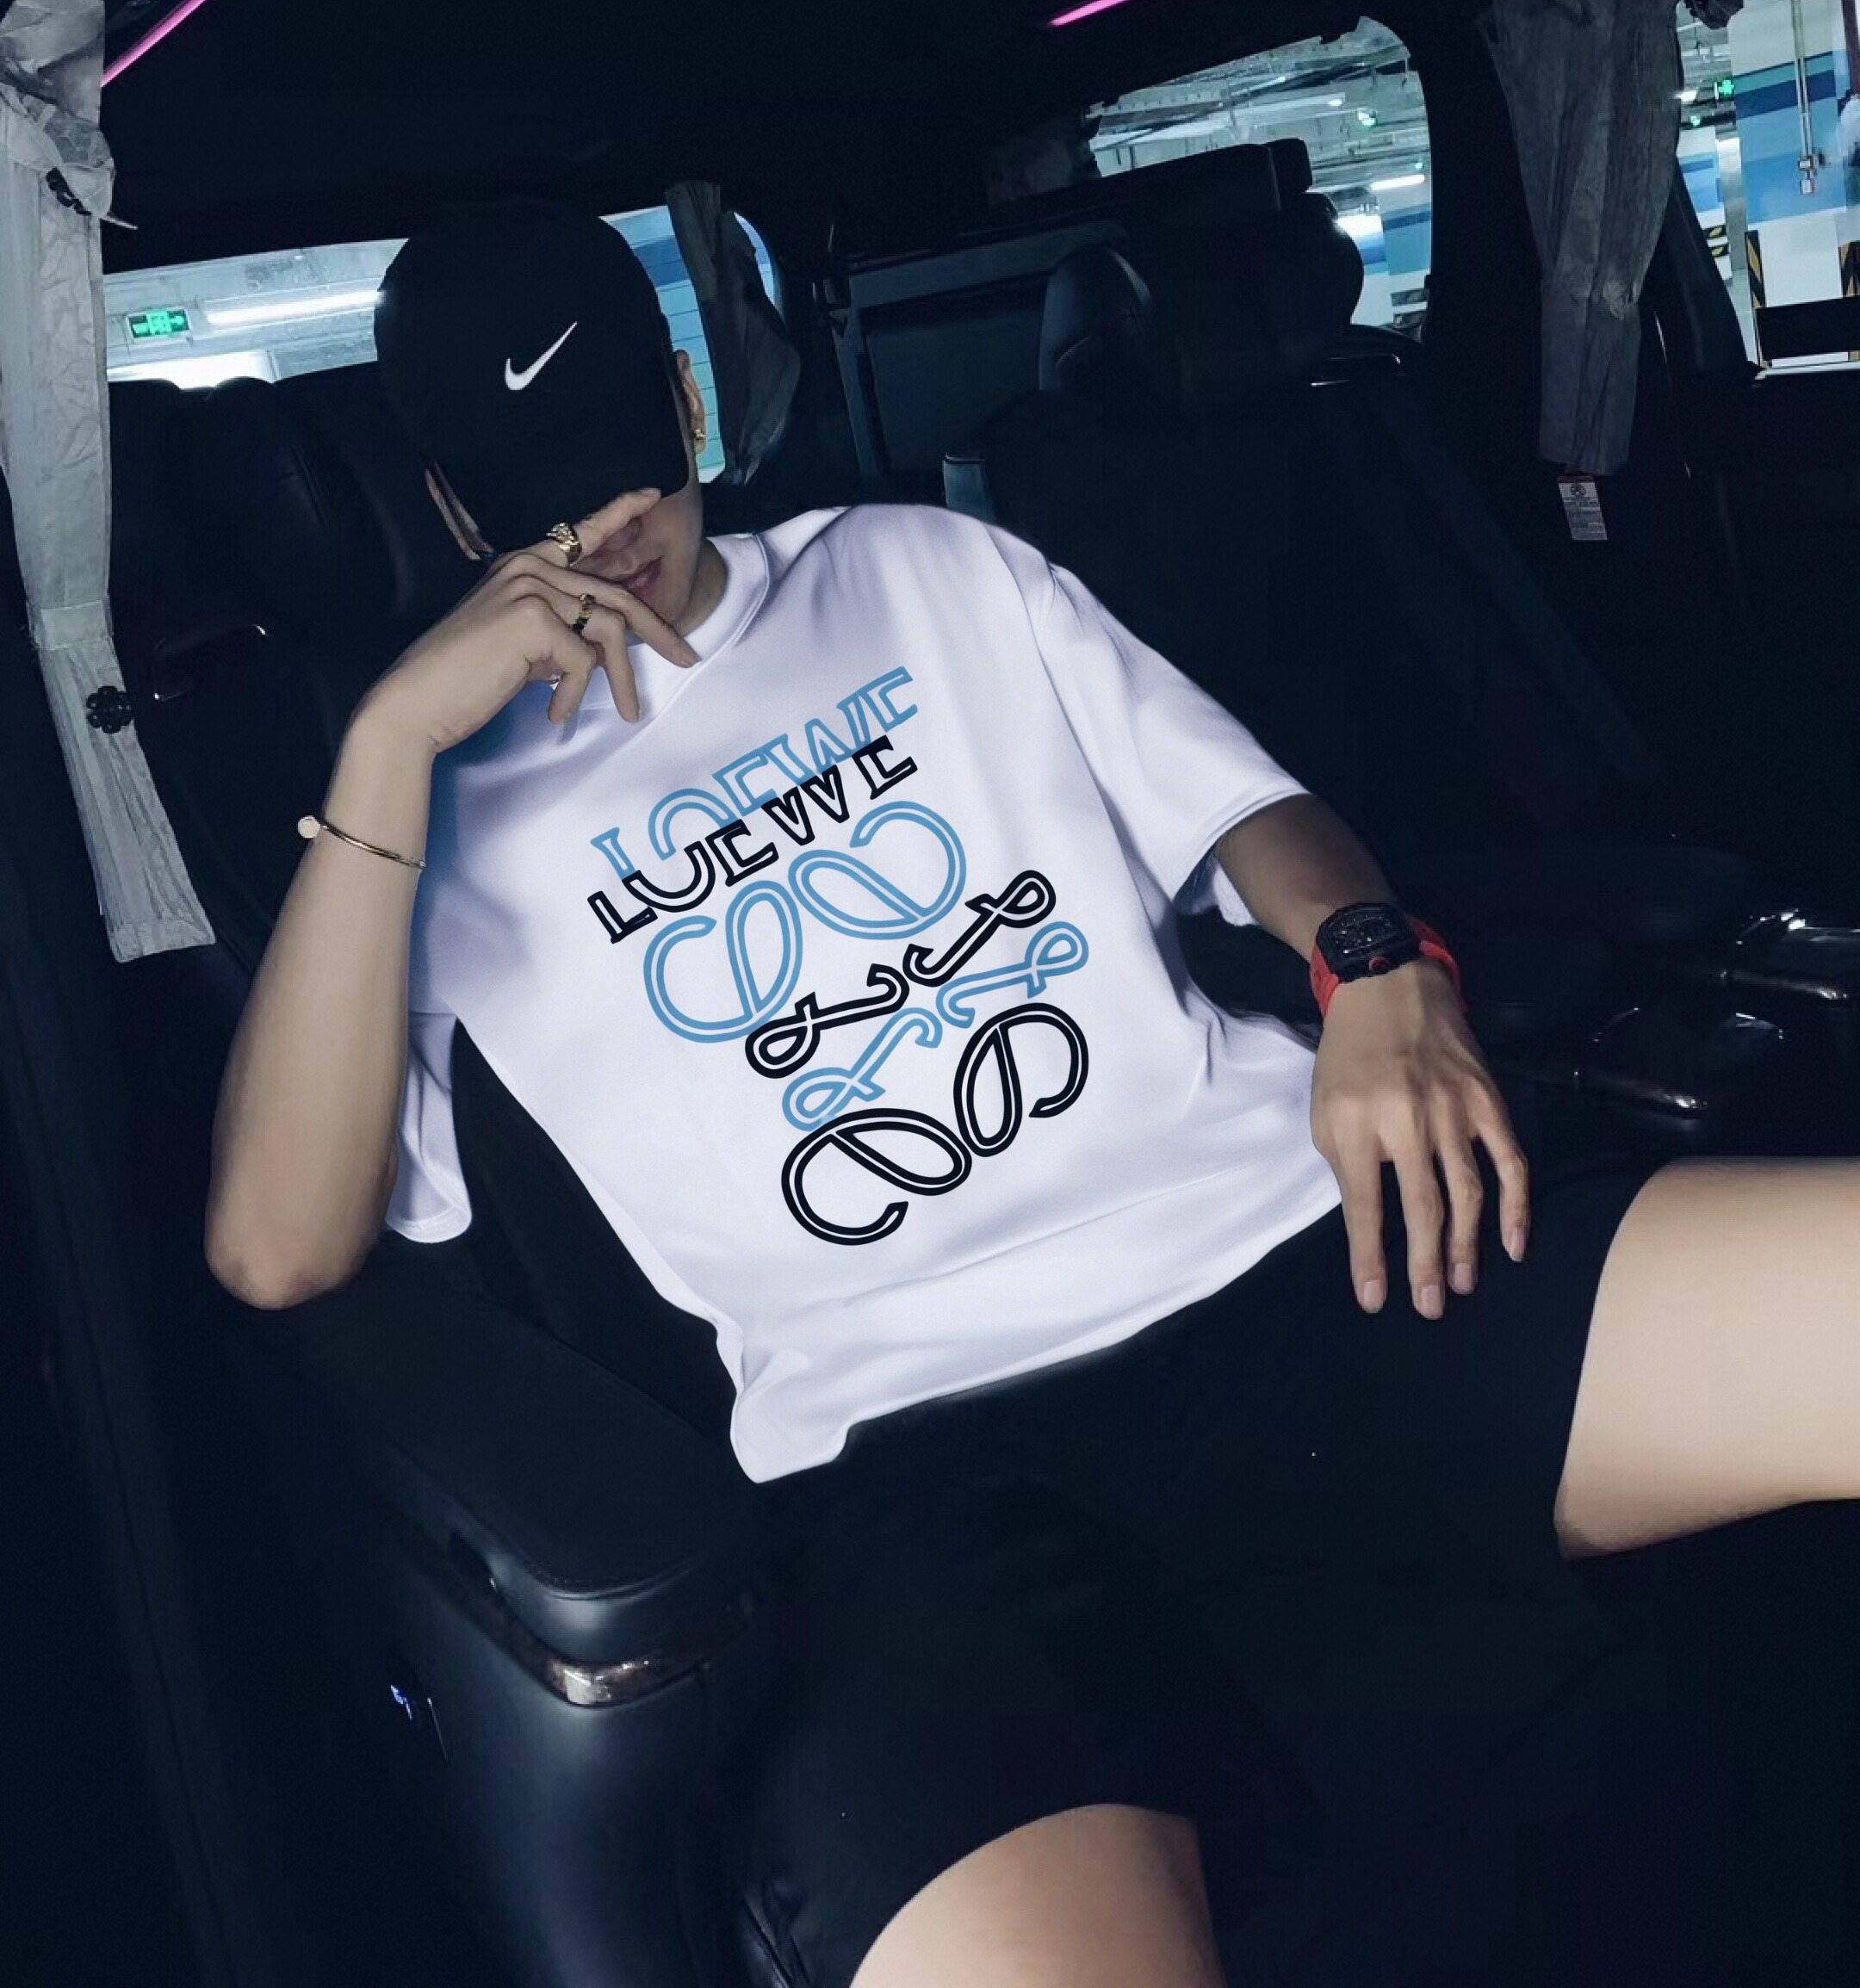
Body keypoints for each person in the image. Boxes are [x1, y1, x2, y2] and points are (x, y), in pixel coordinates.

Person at [207, 199, 1860, 1988]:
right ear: (457, 515)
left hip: (1310, 1265)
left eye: (624, 456)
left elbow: (1246, 810)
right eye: (535, 498)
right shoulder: (432, 815)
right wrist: (384, 745)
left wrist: (1382, 966)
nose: (604, 527)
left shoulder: (921, 569)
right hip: (915, 1466)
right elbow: (277, 1249)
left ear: (685, 400)